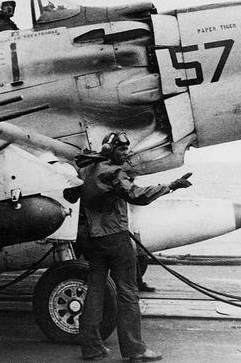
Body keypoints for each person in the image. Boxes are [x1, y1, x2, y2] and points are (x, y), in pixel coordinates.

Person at [77, 131, 192, 362]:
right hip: (116, 239)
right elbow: (137, 196)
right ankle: (135, 350)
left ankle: (91, 348)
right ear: (109, 149)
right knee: (128, 293)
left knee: (95, 291)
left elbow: (71, 194)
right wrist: (171, 186)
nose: (126, 152)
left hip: (93, 239)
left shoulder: (85, 169)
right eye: (121, 149)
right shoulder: (114, 172)